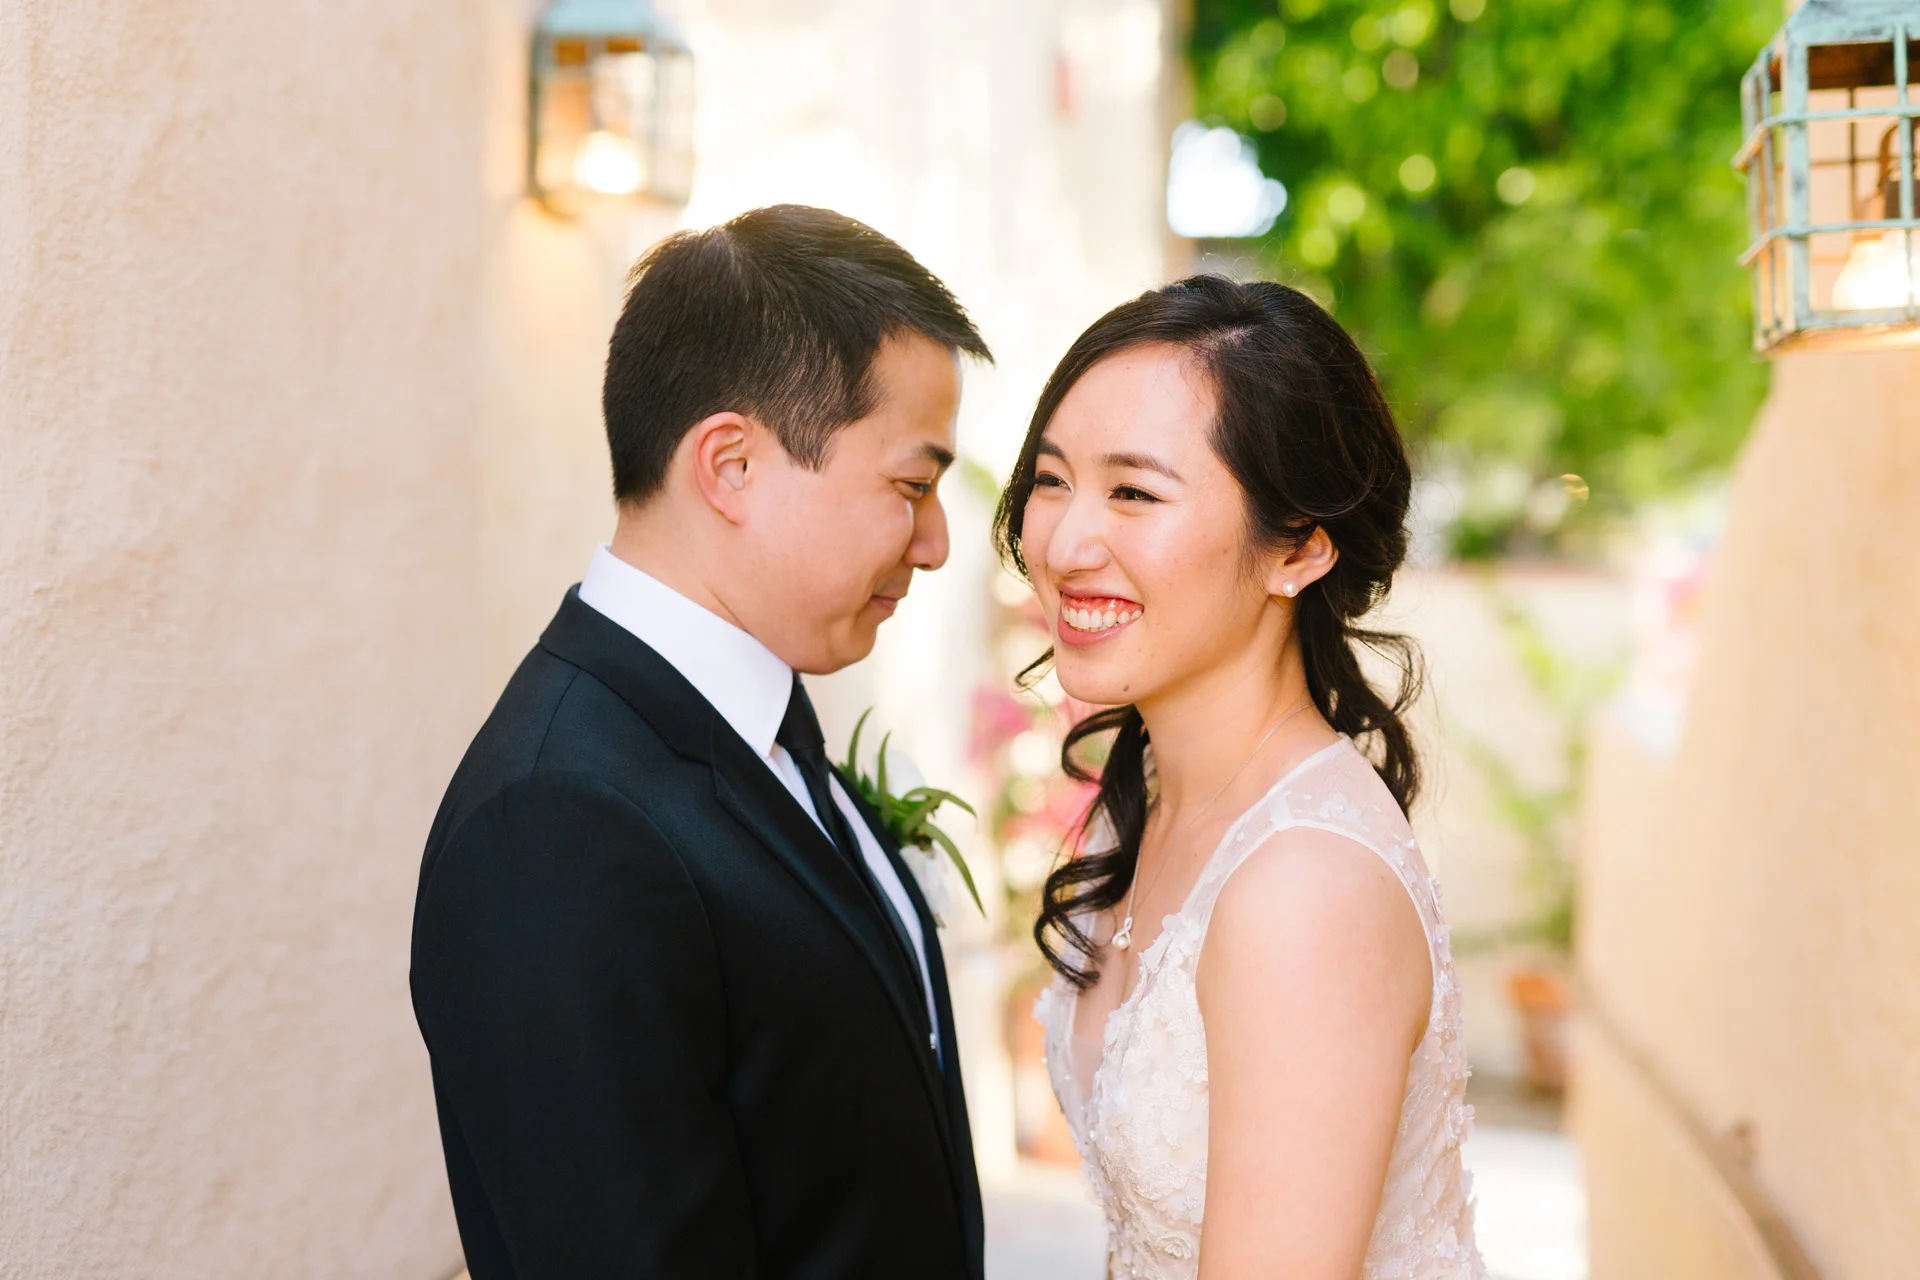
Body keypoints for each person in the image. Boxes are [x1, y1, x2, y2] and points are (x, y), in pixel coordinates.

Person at [410, 205, 992, 1280]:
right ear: (731, 465)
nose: (936, 543)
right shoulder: (555, 826)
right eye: (913, 486)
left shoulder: (765, 715)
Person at [998, 275, 1487, 1279]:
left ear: (1298, 547)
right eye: (1052, 479)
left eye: (1134, 492)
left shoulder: (1306, 887)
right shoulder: (1146, 802)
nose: (1065, 543)